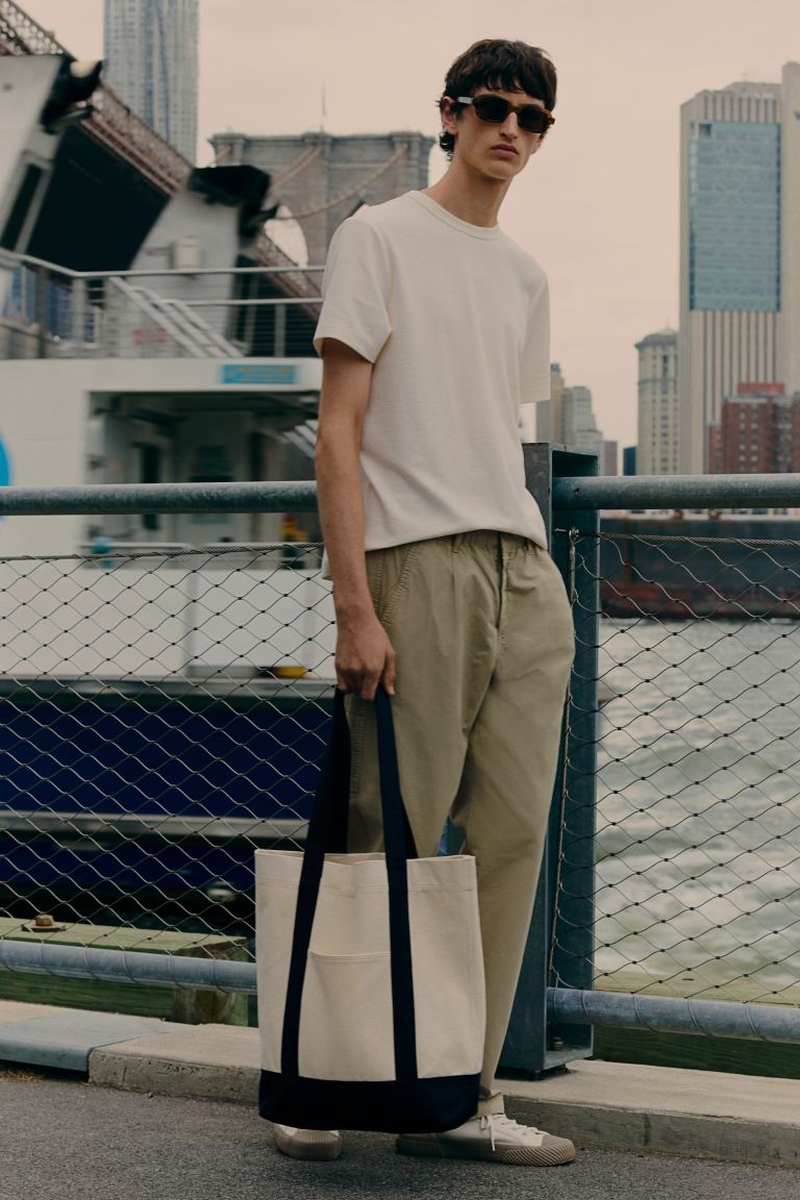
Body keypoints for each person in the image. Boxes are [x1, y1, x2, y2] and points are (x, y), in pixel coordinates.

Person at [273, 37, 576, 1167]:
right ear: (447, 115)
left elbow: (493, 428)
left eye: (532, 117)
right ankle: (323, 1084)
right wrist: (354, 605)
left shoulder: (525, 275)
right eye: (492, 108)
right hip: (414, 566)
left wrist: (524, 580)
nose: (511, 129)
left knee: (506, 840)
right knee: (380, 837)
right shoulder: (379, 235)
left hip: (523, 575)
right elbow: (340, 430)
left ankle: (462, 1098)